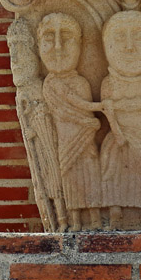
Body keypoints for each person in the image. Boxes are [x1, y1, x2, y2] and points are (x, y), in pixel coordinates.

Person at [98, 10, 141, 228]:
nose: (129, 46)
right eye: (119, 37)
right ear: (106, 47)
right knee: (113, 168)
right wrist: (119, 134)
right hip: (118, 138)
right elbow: (108, 113)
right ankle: (116, 212)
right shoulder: (108, 83)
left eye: (139, 36)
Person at [37, 13, 102, 231]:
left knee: (91, 177)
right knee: (70, 181)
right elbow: (64, 112)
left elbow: (80, 107)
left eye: (67, 37)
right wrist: (91, 120)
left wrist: (90, 121)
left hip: (87, 145)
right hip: (66, 142)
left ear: (81, 46)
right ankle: (74, 222)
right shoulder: (50, 84)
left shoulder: (81, 82)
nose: (58, 46)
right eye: (49, 38)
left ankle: (95, 219)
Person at [7, 17, 65, 231]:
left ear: (35, 54)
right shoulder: (23, 91)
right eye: (12, 52)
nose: (15, 60)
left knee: (53, 176)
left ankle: (62, 218)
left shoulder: (44, 86)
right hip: (39, 144)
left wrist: (37, 122)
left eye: (21, 51)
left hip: (52, 147)